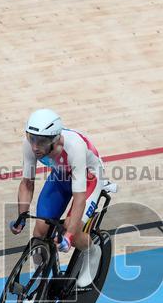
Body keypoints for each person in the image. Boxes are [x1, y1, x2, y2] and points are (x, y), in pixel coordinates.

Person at [9, 109, 106, 289]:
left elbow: (79, 198)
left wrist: (68, 236)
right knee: (39, 232)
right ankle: (41, 287)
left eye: (42, 141)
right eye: (32, 138)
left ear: (55, 140)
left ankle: (93, 251)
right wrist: (21, 216)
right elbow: (27, 183)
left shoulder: (74, 147)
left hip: (89, 179)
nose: (35, 146)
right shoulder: (29, 144)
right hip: (61, 176)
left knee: (72, 229)